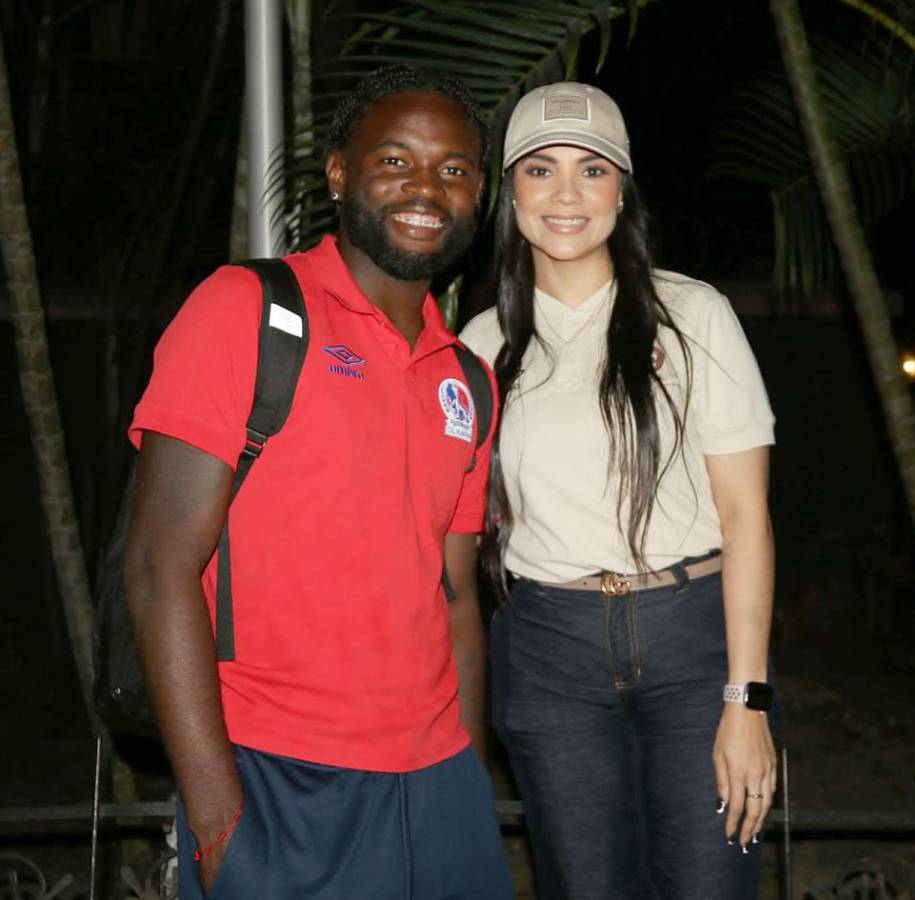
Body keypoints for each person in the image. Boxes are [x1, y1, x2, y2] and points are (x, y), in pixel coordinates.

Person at [124, 64, 513, 900]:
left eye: (453, 168)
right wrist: (218, 820)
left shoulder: (469, 379)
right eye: (395, 160)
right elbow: (159, 568)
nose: (425, 188)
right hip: (278, 777)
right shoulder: (247, 310)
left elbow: (455, 598)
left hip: (439, 788)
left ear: (479, 194)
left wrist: (470, 781)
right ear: (339, 173)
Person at [460, 82, 777, 900]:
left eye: (592, 170)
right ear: (510, 194)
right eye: (540, 169)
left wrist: (748, 700)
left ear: (623, 191)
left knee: (710, 884)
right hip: (548, 647)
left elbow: (746, 516)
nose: (566, 194)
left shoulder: (692, 314)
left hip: (692, 641)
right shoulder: (479, 344)